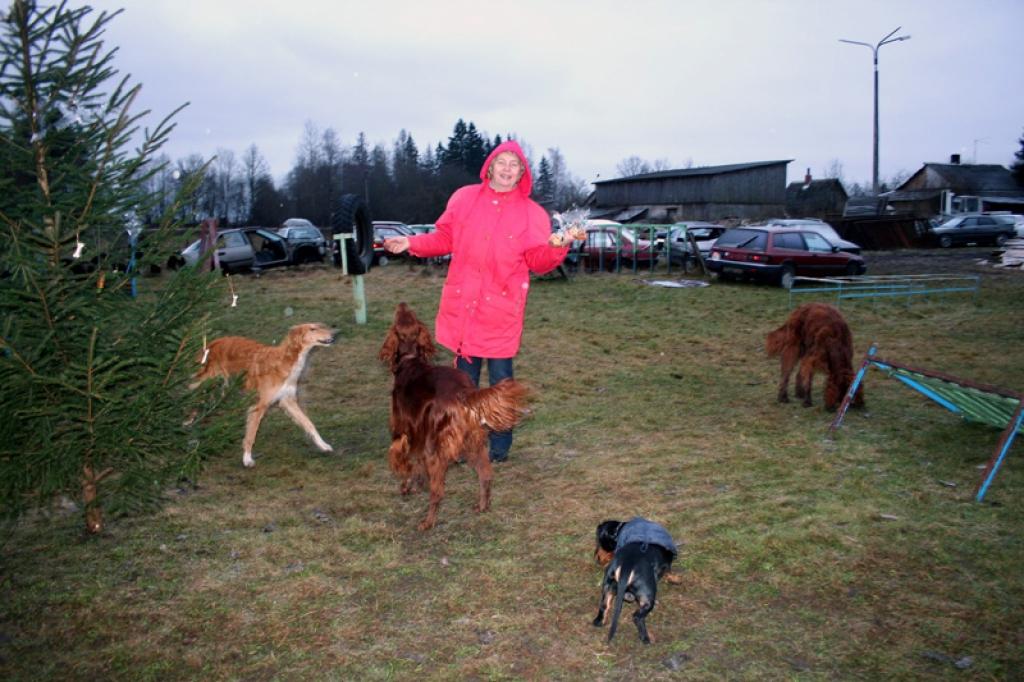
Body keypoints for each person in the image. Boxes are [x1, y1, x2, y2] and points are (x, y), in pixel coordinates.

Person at [384, 139, 570, 463]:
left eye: (515, 165)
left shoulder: (532, 214)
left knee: (500, 386)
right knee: (459, 388)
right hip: (464, 311)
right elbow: (443, 237)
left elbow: (539, 261)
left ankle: (499, 447)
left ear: (521, 172)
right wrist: (410, 242)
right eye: (503, 162)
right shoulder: (464, 198)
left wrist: (558, 247)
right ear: (491, 166)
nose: (507, 169)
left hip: (501, 312)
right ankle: (457, 442)